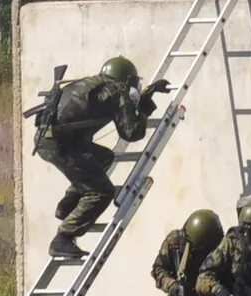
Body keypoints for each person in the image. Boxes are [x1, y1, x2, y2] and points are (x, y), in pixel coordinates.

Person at [30, 55, 168, 260]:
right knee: (102, 192)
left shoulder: (88, 83)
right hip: (64, 147)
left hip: (46, 142)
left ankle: (69, 202)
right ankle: (64, 237)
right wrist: (145, 108)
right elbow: (131, 132)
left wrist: (147, 94)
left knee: (104, 157)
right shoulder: (116, 89)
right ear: (125, 78)